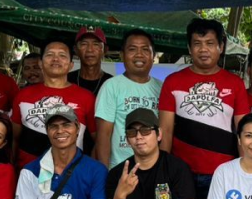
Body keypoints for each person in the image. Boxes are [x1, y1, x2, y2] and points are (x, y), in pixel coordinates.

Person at [159, 17, 249, 199]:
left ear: (221, 47)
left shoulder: (235, 83)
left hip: (221, 174)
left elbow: (242, 131)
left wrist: (242, 171)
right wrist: (164, 170)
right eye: (197, 43)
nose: (203, 49)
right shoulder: (172, 82)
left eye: (210, 43)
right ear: (189, 48)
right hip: (181, 172)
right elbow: (166, 130)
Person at [12, 36, 96, 169]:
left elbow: (98, 140)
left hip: (70, 174)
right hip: (28, 173)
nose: (56, 59)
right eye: (50, 54)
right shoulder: (23, 95)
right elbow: (14, 138)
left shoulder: (86, 97)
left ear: (71, 64)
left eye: (62, 55)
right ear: (40, 63)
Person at [94, 29, 161, 169]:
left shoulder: (161, 88)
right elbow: (103, 136)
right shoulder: (111, 86)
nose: (139, 54)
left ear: (153, 55)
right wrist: (104, 174)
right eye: (132, 49)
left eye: (145, 49)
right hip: (120, 169)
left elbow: (165, 132)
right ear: (122, 55)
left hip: (153, 170)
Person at [69, 26, 109, 97]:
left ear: (105, 50)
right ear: (76, 50)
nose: (90, 49)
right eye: (84, 44)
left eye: (96, 44)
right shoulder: (66, 80)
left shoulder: (111, 83)